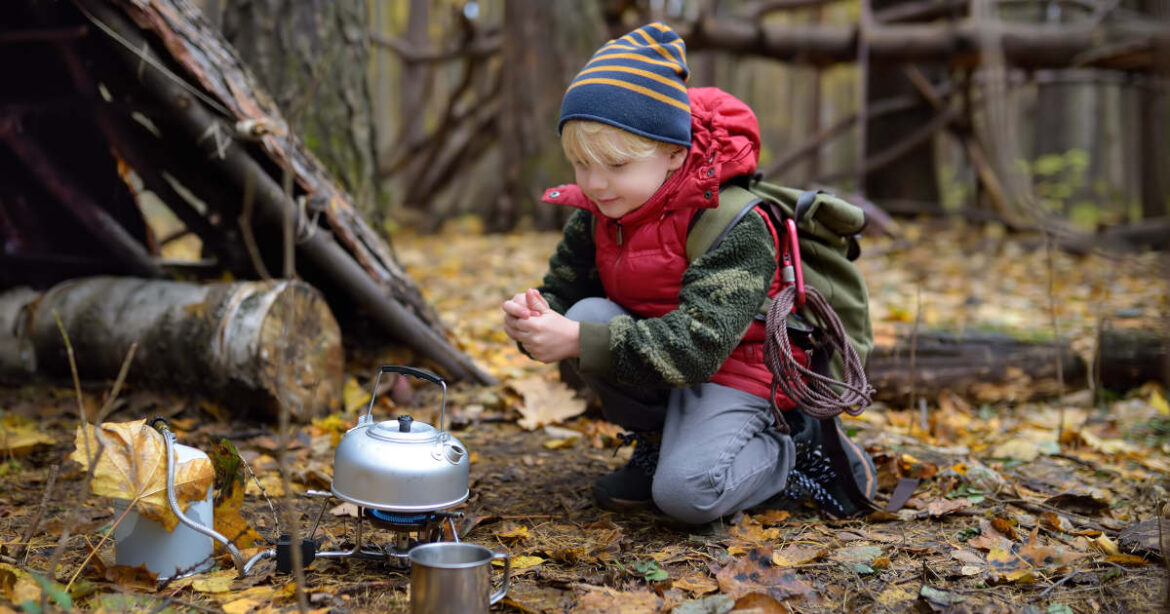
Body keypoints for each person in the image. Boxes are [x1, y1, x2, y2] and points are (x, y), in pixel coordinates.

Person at [501, 22, 876, 525]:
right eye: (579, 164)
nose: (594, 183)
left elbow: (699, 344)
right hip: (668, 362)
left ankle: (796, 448)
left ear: (674, 152)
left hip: (746, 373)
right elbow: (565, 294)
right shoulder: (597, 213)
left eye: (614, 164)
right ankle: (657, 442)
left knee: (688, 495)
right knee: (588, 312)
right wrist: (537, 319)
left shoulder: (732, 224)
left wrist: (576, 340)